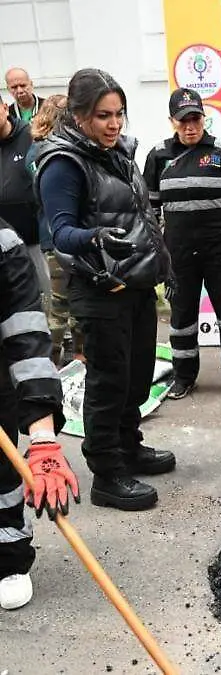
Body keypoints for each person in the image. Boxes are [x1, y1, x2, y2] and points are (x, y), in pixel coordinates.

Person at [33, 68, 174, 510]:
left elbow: (140, 218)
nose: (114, 124)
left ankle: (129, 446)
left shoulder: (117, 153)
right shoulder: (63, 164)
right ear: (78, 116)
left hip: (134, 284)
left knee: (137, 376)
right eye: (102, 116)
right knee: (108, 382)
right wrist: (96, 238)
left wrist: (162, 262)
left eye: (119, 114)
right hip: (99, 290)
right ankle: (107, 473)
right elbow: (59, 233)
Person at [142, 88, 221, 400]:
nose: (190, 126)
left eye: (195, 119)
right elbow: (149, 211)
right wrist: (156, 251)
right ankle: (184, 377)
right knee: (181, 318)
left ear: (204, 118)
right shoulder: (158, 155)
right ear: (172, 122)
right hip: (177, 255)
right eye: (183, 121)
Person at [0, 224, 78, 611]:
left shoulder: (3, 244)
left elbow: (27, 337)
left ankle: (8, 559)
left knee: (1, 473)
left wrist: (43, 437)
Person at [25, 95, 80, 366]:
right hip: (59, 233)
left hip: (52, 233)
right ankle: (59, 358)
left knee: (62, 299)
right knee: (65, 300)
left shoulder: (35, 150)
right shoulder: (52, 152)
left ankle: (57, 357)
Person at [0, 95, 50, 296]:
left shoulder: (30, 137)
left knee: (49, 299)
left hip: (34, 239)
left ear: (5, 108)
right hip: (4, 246)